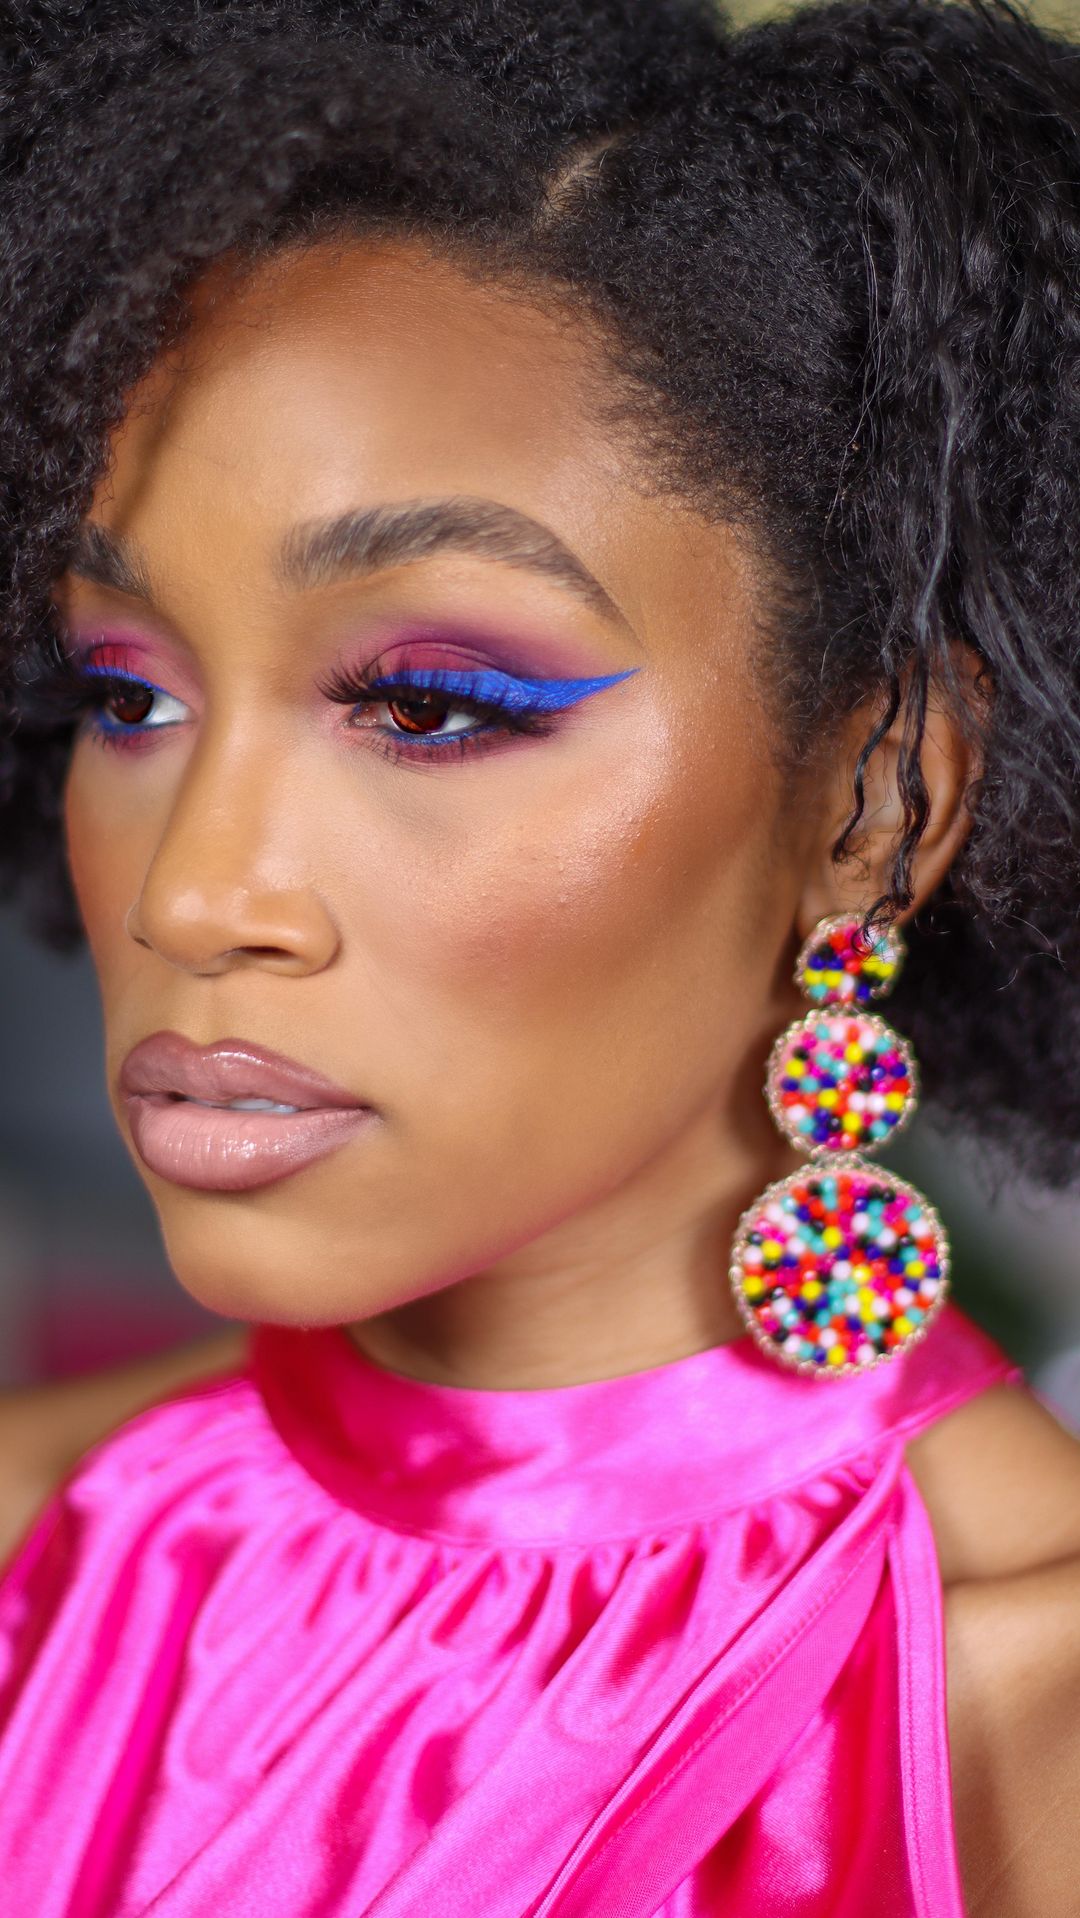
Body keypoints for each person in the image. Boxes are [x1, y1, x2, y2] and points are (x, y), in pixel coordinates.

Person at [1, 0, 1079, 1910]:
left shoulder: (1016, 1718)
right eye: (127, 691)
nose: (193, 895)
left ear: (880, 802)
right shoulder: (40, 1542)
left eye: (430, 704)